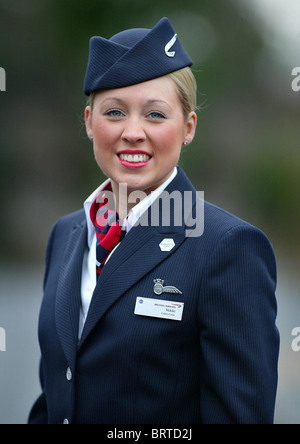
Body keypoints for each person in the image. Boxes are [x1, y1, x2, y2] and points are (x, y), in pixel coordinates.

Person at [28, 17, 279, 424]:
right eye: (114, 112)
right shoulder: (66, 234)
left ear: (188, 128)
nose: (132, 132)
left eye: (156, 115)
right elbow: (56, 395)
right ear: (90, 122)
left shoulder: (227, 247)